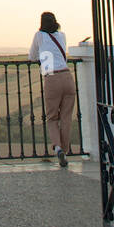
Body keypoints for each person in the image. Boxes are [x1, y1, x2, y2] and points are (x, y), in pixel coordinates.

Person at [28, 11, 74, 167]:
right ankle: (65, 151)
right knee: (66, 118)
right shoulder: (62, 36)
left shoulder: (39, 35)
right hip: (67, 77)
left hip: (52, 78)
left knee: (52, 117)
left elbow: (32, 56)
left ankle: (58, 147)